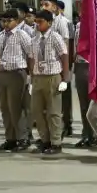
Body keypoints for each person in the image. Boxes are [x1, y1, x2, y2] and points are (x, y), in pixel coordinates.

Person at [0, 8, 33, 152]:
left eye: (9, 21)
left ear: (17, 21)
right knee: (5, 108)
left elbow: (30, 55)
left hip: (17, 73)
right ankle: (10, 138)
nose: (6, 24)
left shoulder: (22, 35)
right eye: (3, 21)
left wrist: (30, 75)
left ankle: (23, 138)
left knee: (15, 107)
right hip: (3, 74)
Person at [27, 9, 69, 155]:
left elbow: (64, 57)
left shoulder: (56, 37)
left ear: (49, 23)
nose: (37, 24)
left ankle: (56, 142)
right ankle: (45, 140)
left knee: (53, 112)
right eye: (36, 22)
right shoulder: (35, 39)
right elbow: (32, 59)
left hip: (53, 77)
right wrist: (31, 80)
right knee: (37, 111)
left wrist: (65, 79)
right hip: (38, 77)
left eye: (41, 22)